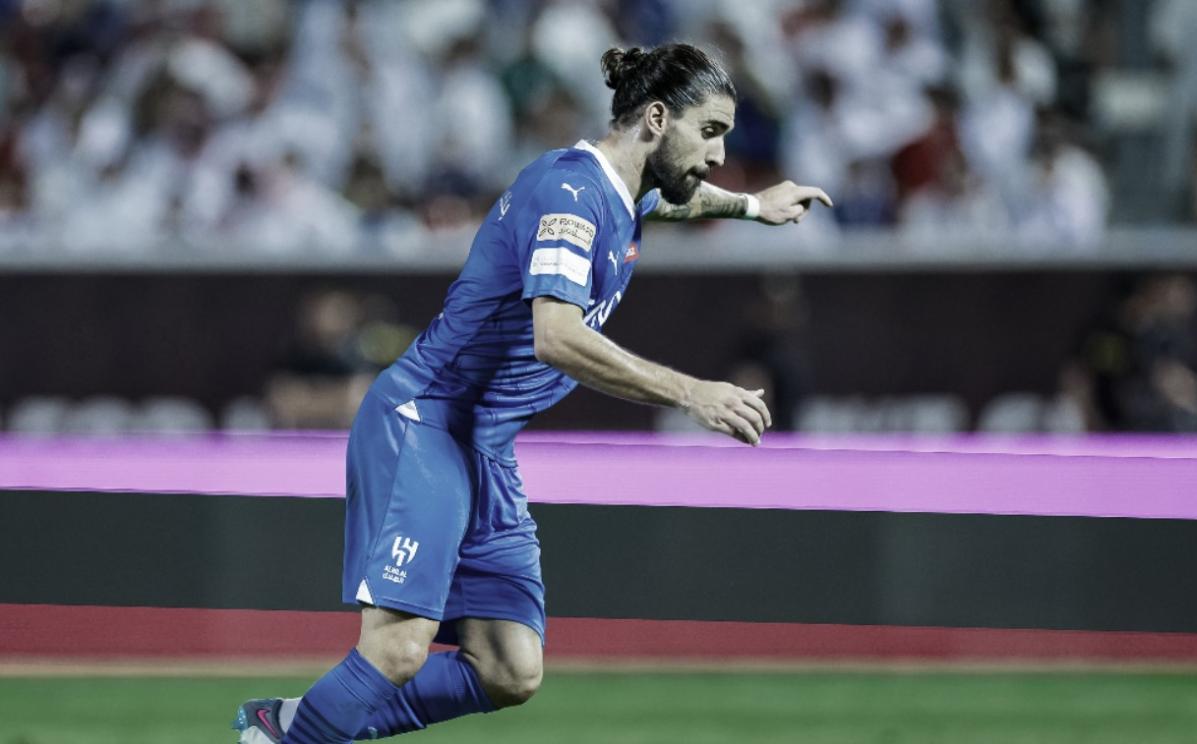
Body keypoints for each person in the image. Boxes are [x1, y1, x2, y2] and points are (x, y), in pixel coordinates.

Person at [234, 43, 831, 744]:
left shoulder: (623, 190)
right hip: (424, 423)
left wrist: (753, 206)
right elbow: (557, 337)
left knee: (509, 668)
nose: (720, 153)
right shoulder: (568, 195)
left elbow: (676, 200)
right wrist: (690, 392)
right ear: (656, 119)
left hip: (481, 445)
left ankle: (290, 726)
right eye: (709, 131)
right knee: (397, 649)